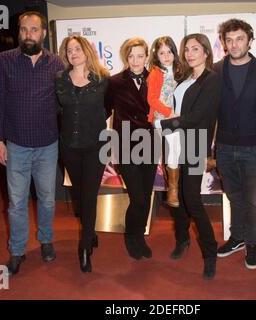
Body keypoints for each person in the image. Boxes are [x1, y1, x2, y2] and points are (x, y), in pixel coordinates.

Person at [0, 11, 63, 276]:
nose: (28, 34)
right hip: (17, 145)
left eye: (34, 29)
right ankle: (17, 251)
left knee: (47, 199)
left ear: (43, 32)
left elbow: (63, 102)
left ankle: (45, 240)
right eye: (23, 29)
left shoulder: (56, 63)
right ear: (18, 32)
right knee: (17, 202)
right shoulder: (4, 61)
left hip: (47, 145)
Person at [157, 33, 221, 280]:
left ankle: (210, 252)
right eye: (187, 49)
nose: (190, 53)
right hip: (175, 143)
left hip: (194, 143)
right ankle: (183, 239)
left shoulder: (212, 80)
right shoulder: (183, 77)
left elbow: (197, 117)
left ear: (206, 52)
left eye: (196, 49)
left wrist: (164, 125)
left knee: (192, 198)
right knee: (176, 196)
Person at [214, 19, 256, 269]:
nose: (234, 44)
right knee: (233, 197)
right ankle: (236, 237)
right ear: (224, 43)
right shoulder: (215, 70)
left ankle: (252, 243)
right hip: (224, 147)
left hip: (254, 148)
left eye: (239, 39)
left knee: (251, 199)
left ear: (250, 40)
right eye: (229, 39)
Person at [55, 35, 109, 273]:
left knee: (89, 195)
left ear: (87, 50)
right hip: (69, 147)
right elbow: (57, 110)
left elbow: (109, 109)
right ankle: (92, 231)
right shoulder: (60, 79)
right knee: (79, 195)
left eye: (77, 49)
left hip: (96, 147)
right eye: (69, 50)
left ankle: (85, 246)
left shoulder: (103, 80)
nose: (73, 53)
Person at [105, 37, 158, 260]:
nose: (135, 60)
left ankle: (140, 236)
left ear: (147, 57)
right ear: (126, 58)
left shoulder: (158, 80)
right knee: (137, 197)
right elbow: (104, 111)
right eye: (131, 56)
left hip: (150, 145)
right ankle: (131, 236)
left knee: (145, 196)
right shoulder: (115, 82)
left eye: (140, 55)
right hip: (126, 147)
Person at [147, 36, 182, 207]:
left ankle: (207, 160)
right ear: (156, 56)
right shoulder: (155, 73)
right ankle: (173, 189)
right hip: (162, 118)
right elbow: (151, 98)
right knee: (174, 146)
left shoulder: (181, 71)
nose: (166, 56)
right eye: (162, 53)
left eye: (169, 51)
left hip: (179, 117)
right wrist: (169, 112)